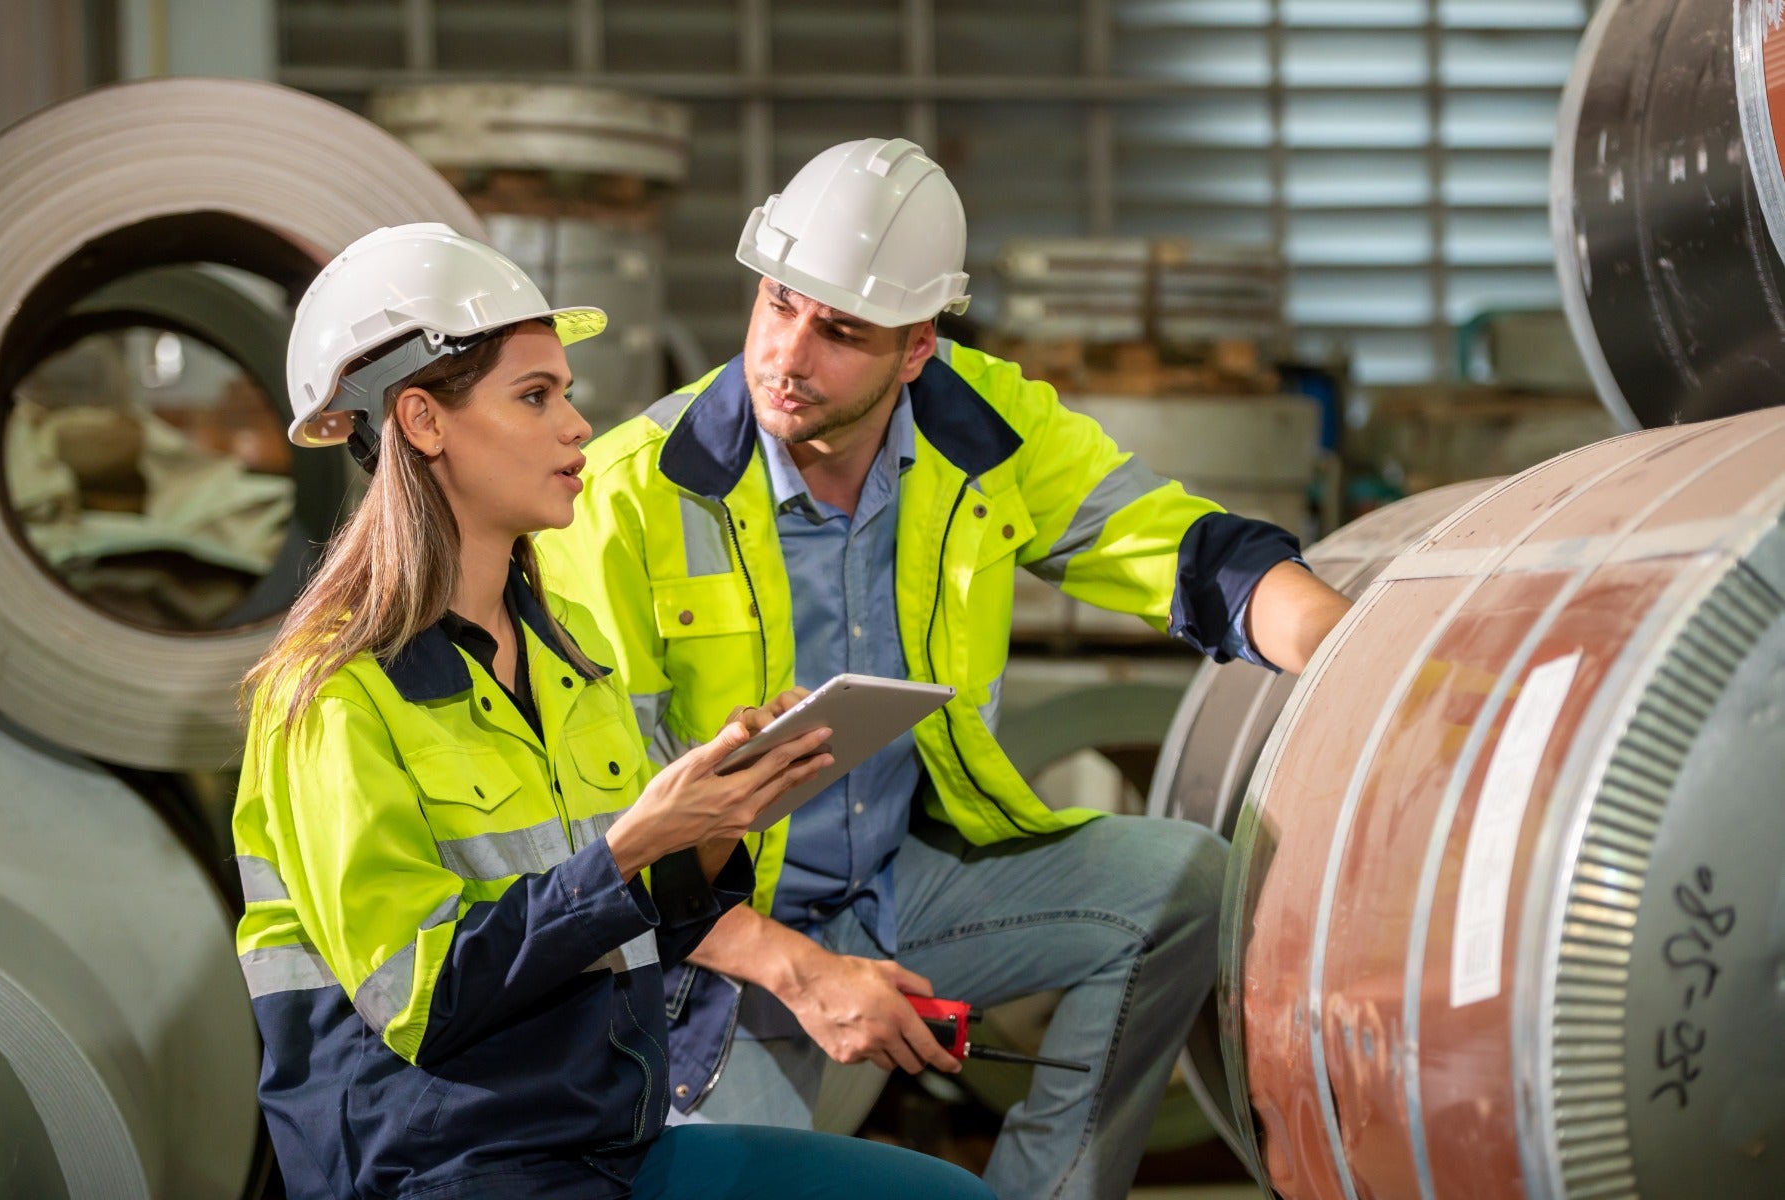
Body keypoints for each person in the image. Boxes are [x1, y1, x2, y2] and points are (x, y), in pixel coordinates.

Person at [537, 139, 1356, 1198]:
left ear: (917, 347)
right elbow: (597, 839)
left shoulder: (984, 428)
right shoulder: (629, 498)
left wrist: (1358, 660)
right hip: (704, 952)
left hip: (895, 886)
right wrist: (803, 973)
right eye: (779, 303)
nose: (790, 354)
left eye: (841, 331)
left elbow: (1188, 553)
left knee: (1179, 887)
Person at [230, 222, 998, 1200]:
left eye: (569, 393)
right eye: (535, 396)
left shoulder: (570, 664)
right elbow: (420, 1004)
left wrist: (718, 821)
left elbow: (639, 929)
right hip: (442, 1170)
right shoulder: (331, 695)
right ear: (422, 421)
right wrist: (632, 850)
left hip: (602, 1146)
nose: (577, 426)